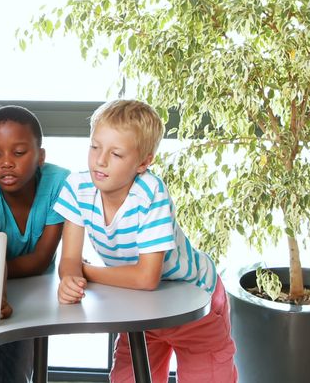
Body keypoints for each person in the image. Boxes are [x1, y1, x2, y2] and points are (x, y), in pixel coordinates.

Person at [55, 100, 237, 382]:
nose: (100, 160)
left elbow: (146, 277)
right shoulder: (77, 187)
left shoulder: (150, 193)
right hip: (142, 310)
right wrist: (69, 277)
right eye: (94, 146)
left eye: (116, 154)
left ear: (144, 162)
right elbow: (69, 259)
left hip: (196, 303)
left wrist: (86, 271)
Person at [0, 106, 70, 383]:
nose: (6, 162)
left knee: (16, 371)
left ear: (40, 156)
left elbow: (41, 259)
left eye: (18, 153)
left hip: (35, 295)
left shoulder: (59, 183)